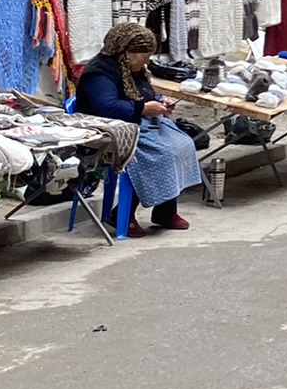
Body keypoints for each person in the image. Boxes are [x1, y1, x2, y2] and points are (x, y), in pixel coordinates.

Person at [75, 22, 201, 236]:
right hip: (110, 130)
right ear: (126, 52)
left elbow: (143, 95)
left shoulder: (134, 70)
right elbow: (107, 107)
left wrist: (160, 102)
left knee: (184, 143)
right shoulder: (99, 73)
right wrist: (143, 108)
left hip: (135, 122)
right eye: (144, 54)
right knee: (161, 153)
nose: (148, 60)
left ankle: (165, 211)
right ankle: (121, 214)